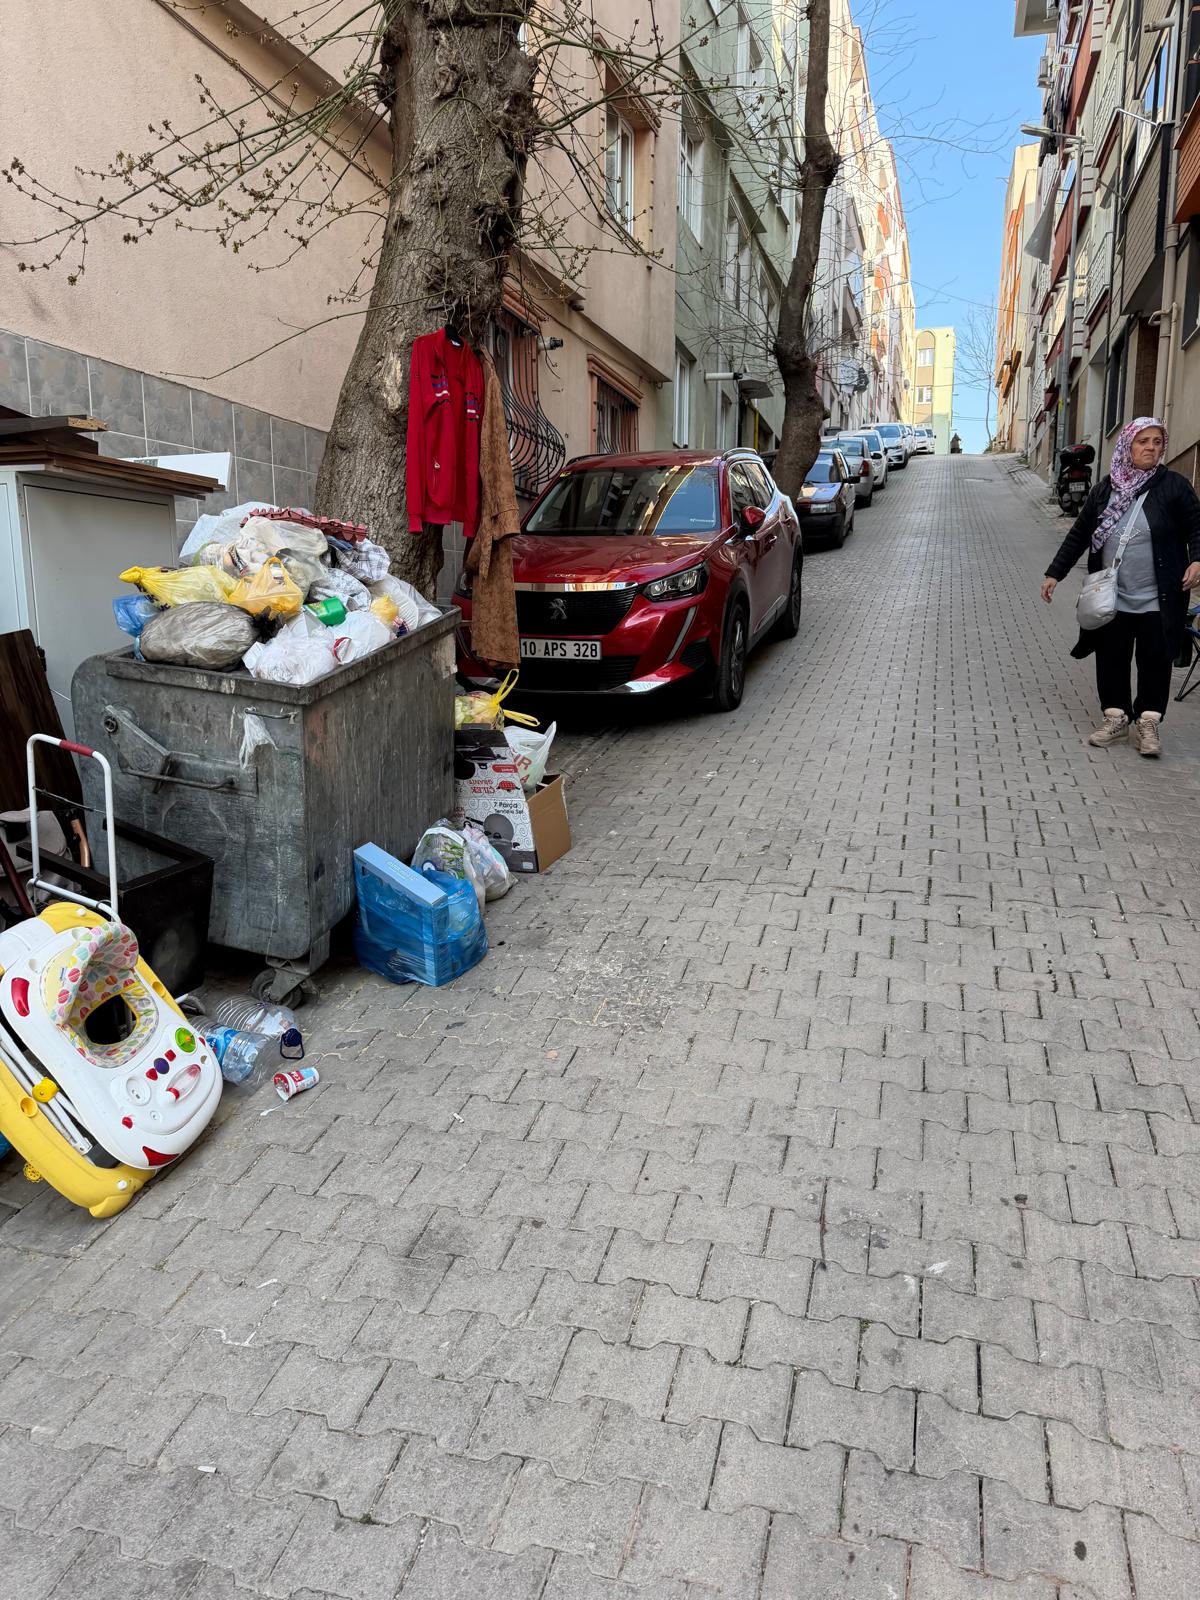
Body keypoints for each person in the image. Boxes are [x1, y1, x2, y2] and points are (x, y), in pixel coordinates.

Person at [1041, 417, 1200, 758]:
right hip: (1112, 596)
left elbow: (1196, 528)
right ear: (1128, 446)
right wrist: (1055, 573)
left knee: (1154, 659)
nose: (1151, 448)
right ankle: (1115, 718)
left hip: (1159, 596)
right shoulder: (1105, 489)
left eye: (1157, 442)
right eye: (1143, 441)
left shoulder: (1174, 486)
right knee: (1112, 657)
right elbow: (1080, 534)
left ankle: (1147, 722)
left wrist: (1197, 560)